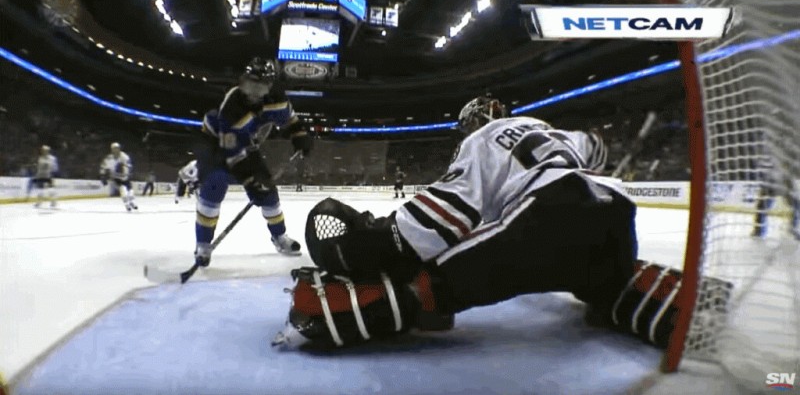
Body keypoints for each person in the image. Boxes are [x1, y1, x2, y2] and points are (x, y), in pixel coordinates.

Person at [273, 96, 675, 349]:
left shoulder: (483, 139)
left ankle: (351, 311)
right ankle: (634, 288)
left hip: (550, 215)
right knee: (603, 282)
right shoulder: (550, 129)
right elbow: (598, 147)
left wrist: (381, 241)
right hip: (616, 214)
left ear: (474, 122)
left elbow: (443, 218)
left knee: (431, 286)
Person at [193, 57, 312, 266]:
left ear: (269, 87)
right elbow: (232, 153)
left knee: (268, 193)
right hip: (215, 143)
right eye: (249, 86)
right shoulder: (231, 108)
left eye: (259, 88)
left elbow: (290, 119)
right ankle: (203, 244)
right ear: (242, 82)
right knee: (214, 185)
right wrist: (249, 180)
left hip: (246, 143)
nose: (252, 94)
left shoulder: (277, 99)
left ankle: (279, 237)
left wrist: (299, 134)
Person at [751, 155, 800, 240]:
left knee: (797, 206)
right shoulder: (766, 157)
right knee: (761, 207)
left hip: (783, 183)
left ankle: (793, 228)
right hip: (772, 184)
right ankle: (759, 231)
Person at [100, 142, 138, 211]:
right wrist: (102, 176)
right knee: (122, 190)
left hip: (125, 176)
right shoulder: (109, 158)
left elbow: (129, 165)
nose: (115, 150)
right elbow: (103, 167)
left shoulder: (124, 156)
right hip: (116, 177)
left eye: (117, 148)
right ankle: (127, 204)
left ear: (119, 149)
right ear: (111, 149)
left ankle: (131, 202)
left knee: (130, 191)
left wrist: (128, 172)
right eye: (114, 149)